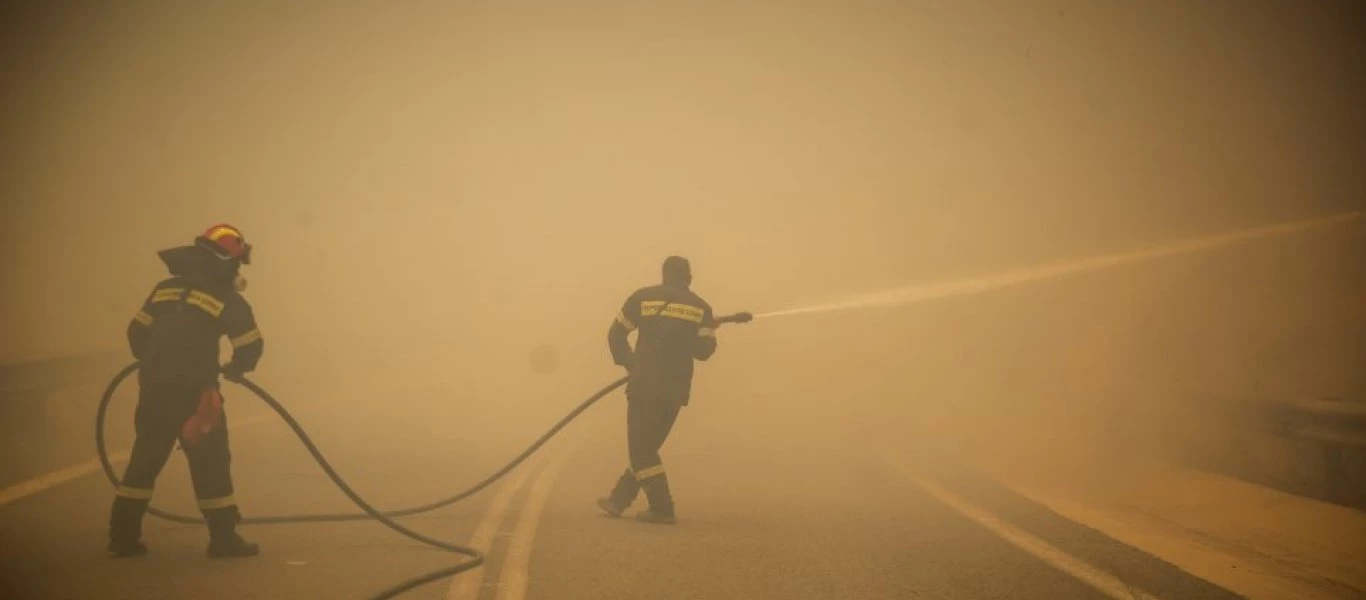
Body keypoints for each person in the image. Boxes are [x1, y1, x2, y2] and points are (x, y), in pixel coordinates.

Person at [107, 224, 264, 558]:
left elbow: (136, 333)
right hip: (197, 395)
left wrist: (155, 362)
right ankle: (223, 539)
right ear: (226, 262)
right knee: (211, 461)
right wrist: (237, 369)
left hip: (154, 389)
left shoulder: (164, 290)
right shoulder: (227, 298)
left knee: (146, 458)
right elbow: (250, 346)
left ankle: (122, 537)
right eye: (238, 262)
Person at [596, 256, 720, 524]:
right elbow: (704, 352)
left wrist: (630, 362)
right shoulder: (701, 308)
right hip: (675, 389)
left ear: (664, 275)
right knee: (647, 446)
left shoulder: (643, 298)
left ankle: (662, 507)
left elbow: (615, 335)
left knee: (642, 449)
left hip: (644, 385)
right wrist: (704, 331)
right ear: (689, 277)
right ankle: (619, 499)